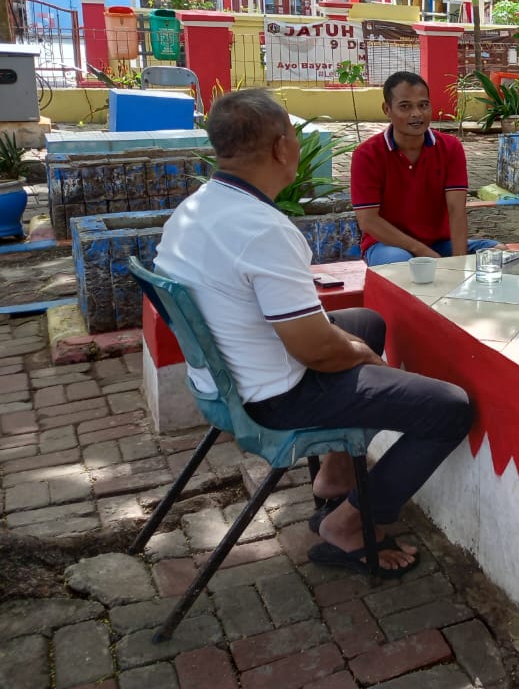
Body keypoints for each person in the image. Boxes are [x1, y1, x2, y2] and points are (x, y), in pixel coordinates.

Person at [155, 88, 473, 577]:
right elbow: (316, 351)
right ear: (283, 148)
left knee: (368, 322)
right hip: (274, 395)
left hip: (225, 375)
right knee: (449, 407)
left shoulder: (197, 207)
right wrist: (366, 359)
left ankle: (336, 472)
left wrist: (356, 343)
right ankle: (349, 525)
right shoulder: (263, 229)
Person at [351, 71, 499, 264]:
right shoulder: (367, 154)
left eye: (423, 105)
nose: (417, 114)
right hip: (388, 246)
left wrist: (459, 264)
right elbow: (368, 221)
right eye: (405, 106)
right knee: (404, 265)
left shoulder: (450, 147)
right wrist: (422, 252)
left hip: (439, 243)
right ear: (387, 109)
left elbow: (456, 210)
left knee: (498, 254)